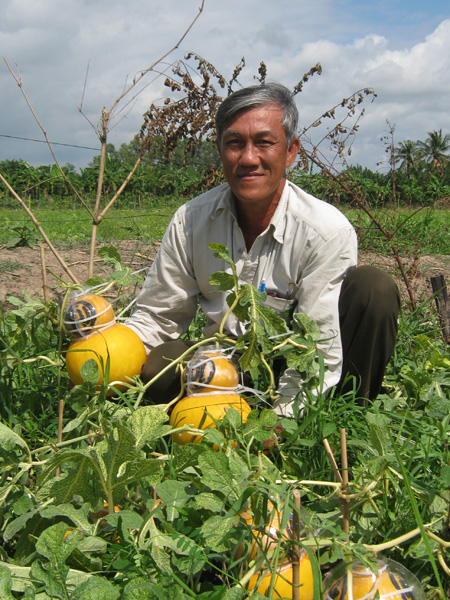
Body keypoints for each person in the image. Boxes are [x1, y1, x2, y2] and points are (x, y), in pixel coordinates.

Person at [125, 82, 400, 414]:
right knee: (159, 365)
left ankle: (345, 418)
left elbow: (318, 343)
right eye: (234, 143)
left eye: (265, 143)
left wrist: (280, 424)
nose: (248, 158)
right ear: (220, 149)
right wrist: (107, 354)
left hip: (299, 361)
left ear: (291, 151)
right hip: (225, 363)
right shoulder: (191, 220)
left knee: (374, 288)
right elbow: (158, 315)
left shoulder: (325, 230)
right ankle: (222, 415)